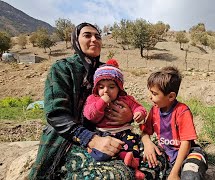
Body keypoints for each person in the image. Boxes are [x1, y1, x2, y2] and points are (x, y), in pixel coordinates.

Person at [29, 22, 136, 179]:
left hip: (107, 134)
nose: (94, 39)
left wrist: (129, 116)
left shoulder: (106, 71)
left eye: (98, 36)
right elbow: (56, 114)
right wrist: (91, 139)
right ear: (75, 41)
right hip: (67, 138)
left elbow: (123, 99)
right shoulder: (62, 68)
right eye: (87, 35)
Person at [140, 66, 208, 180]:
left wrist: (174, 173)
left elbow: (186, 143)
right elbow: (145, 133)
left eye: (154, 93)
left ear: (171, 96)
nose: (150, 97)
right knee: (144, 168)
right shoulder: (154, 110)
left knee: (190, 175)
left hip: (188, 154)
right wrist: (147, 143)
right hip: (166, 155)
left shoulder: (182, 111)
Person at [83, 61, 146, 179]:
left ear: (119, 88)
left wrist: (139, 113)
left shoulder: (126, 99)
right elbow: (90, 115)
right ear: (96, 88)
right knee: (101, 153)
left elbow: (138, 107)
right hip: (102, 133)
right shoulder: (93, 99)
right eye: (101, 87)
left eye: (111, 87)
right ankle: (121, 155)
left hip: (124, 131)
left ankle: (135, 167)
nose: (106, 90)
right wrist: (101, 102)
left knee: (133, 146)